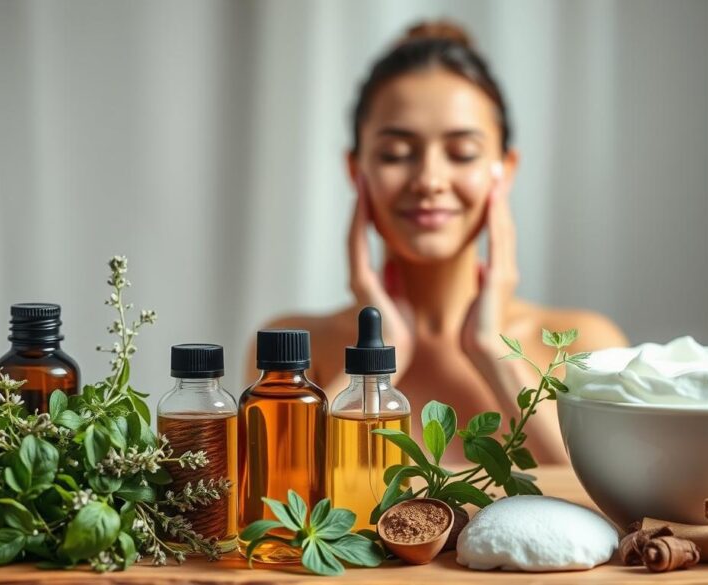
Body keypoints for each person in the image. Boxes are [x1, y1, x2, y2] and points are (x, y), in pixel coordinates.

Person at [247, 20, 627, 464]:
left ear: (505, 170)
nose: (429, 180)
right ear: (355, 170)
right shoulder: (295, 353)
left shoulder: (584, 347)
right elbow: (274, 490)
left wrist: (492, 351)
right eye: (395, 154)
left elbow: (607, 499)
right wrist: (377, 359)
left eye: (462, 153)